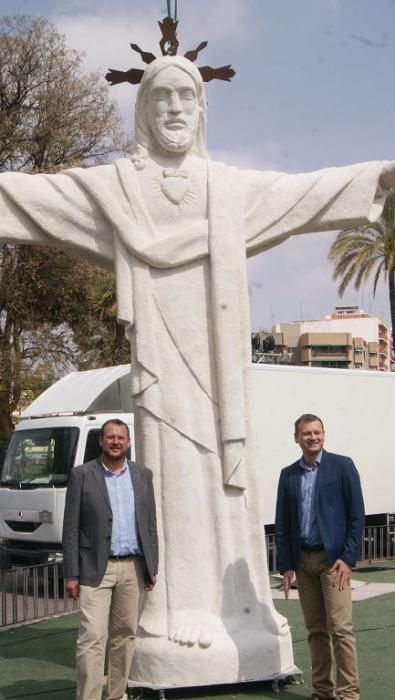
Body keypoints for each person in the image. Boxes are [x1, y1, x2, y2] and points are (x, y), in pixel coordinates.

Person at [0, 54, 393, 684]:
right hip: (161, 365)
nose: (175, 109)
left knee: (221, 480)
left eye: (187, 97)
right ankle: (181, 605)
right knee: (176, 477)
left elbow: (302, 192)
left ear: (202, 110)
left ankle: (234, 605)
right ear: (142, 110)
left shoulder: (227, 188)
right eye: (161, 99)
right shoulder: (118, 189)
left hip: (219, 365)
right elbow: (42, 196)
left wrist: (373, 176)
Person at [62, 418, 158, 700]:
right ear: (101, 441)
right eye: (110, 437)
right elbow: (70, 529)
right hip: (94, 569)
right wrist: (71, 574)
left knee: (125, 636)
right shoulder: (82, 475)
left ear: (128, 442)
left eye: (121, 437)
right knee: (92, 637)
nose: (116, 442)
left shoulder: (143, 475)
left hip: (133, 567)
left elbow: (150, 524)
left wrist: (152, 566)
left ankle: (117, 695)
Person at [275, 414, 365, 700]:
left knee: (340, 629)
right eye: (306, 433)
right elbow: (283, 523)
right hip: (303, 562)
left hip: (333, 562)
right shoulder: (288, 475)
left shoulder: (342, 466)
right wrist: (287, 565)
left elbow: (356, 515)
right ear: (296, 438)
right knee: (315, 630)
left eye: (316, 432)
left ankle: (348, 693)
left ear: (324, 434)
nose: (312, 437)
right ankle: (323, 691)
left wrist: (348, 558)